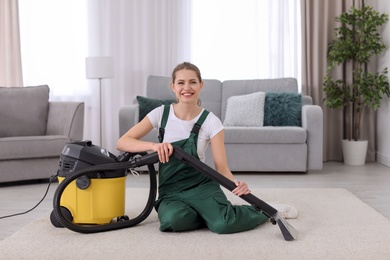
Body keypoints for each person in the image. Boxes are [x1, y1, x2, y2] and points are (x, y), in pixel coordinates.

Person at [116, 62, 298, 234]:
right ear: (173, 86)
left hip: (201, 186)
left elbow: (221, 167)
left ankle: (264, 210)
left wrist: (236, 184)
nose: (186, 88)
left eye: (192, 82)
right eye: (181, 83)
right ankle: (211, 214)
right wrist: (153, 146)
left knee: (223, 224)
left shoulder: (211, 121)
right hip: (170, 190)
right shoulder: (161, 113)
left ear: (201, 85)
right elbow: (123, 142)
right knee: (173, 221)